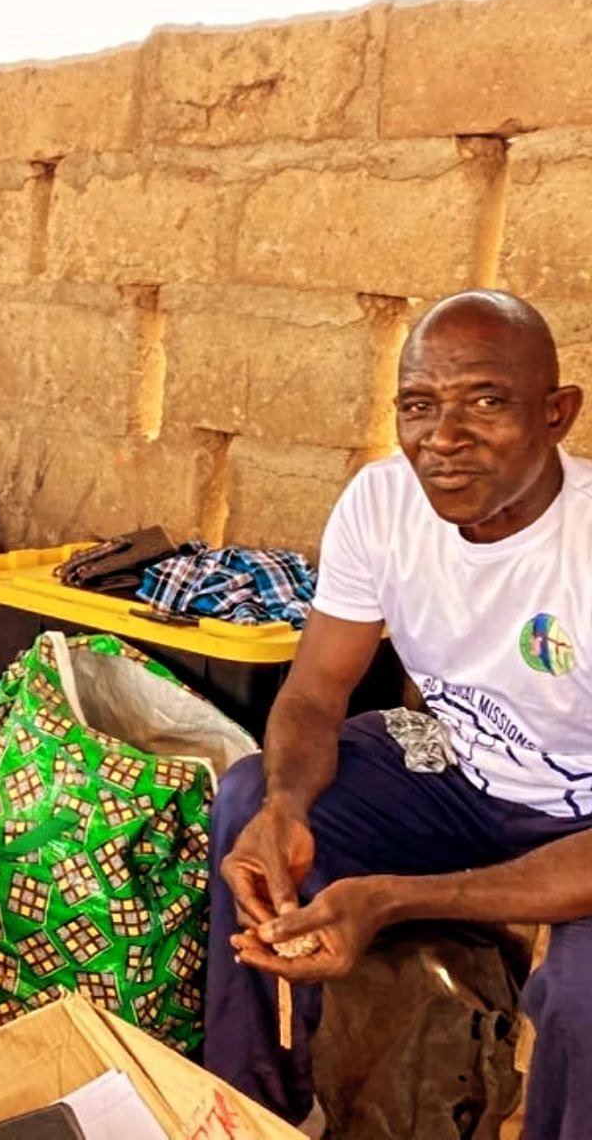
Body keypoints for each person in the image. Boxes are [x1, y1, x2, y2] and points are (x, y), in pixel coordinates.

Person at [205, 289, 591, 1139]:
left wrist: (391, 898)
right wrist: (286, 809)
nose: (443, 440)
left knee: (583, 1002)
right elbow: (312, 693)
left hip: (583, 824)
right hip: (456, 765)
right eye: (419, 407)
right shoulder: (383, 504)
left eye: (484, 402)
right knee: (247, 807)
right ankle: (244, 1112)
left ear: (556, 413)